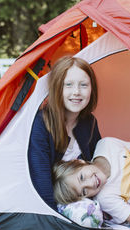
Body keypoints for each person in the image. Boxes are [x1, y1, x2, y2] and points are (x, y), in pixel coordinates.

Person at [28, 56, 101, 210]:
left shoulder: (89, 122)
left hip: (85, 202)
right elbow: (41, 185)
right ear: (57, 88)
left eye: (83, 85)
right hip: (50, 209)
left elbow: (99, 164)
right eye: (68, 85)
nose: (76, 92)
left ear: (91, 88)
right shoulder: (41, 124)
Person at [52, 137, 130, 224]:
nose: (91, 184)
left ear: (79, 162)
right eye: (84, 191)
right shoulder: (105, 198)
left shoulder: (106, 144)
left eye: (82, 177)